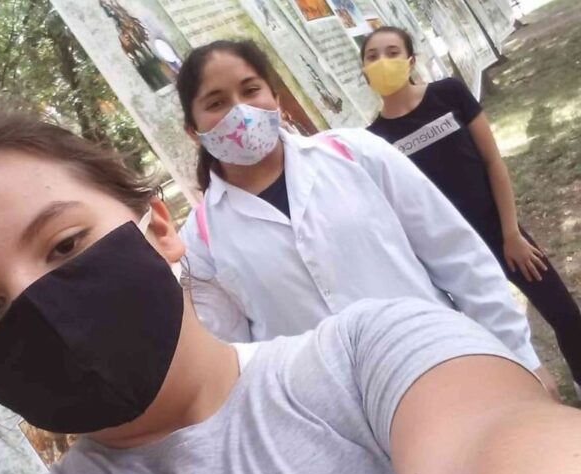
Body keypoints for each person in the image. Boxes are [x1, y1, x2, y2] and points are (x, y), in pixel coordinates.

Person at [0, 107, 581, 474]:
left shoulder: (374, 358)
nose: (39, 305)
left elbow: (510, 457)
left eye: (65, 243)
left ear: (160, 230)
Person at [175, 40, 556, 392]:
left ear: (275, 98)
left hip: (446, 369)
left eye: (250, 90)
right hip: (338, 425)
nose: (240, 111)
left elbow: (457, 254)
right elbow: (234, 357)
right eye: (216, 103)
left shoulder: (354, 153)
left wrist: (521, 359)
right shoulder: (201, 239)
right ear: (194, 132)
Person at [361, 26, 581, 399]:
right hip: (451, 260)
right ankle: (535, 408)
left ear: (411, 60)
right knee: (491, 346)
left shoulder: (448, 93)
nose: (383, 61)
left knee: (565, 315)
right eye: (372, 56)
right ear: (364, 71)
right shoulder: (374, 140)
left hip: (501, 233)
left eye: (393, 52)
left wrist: (511, 233)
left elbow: (493, 161)